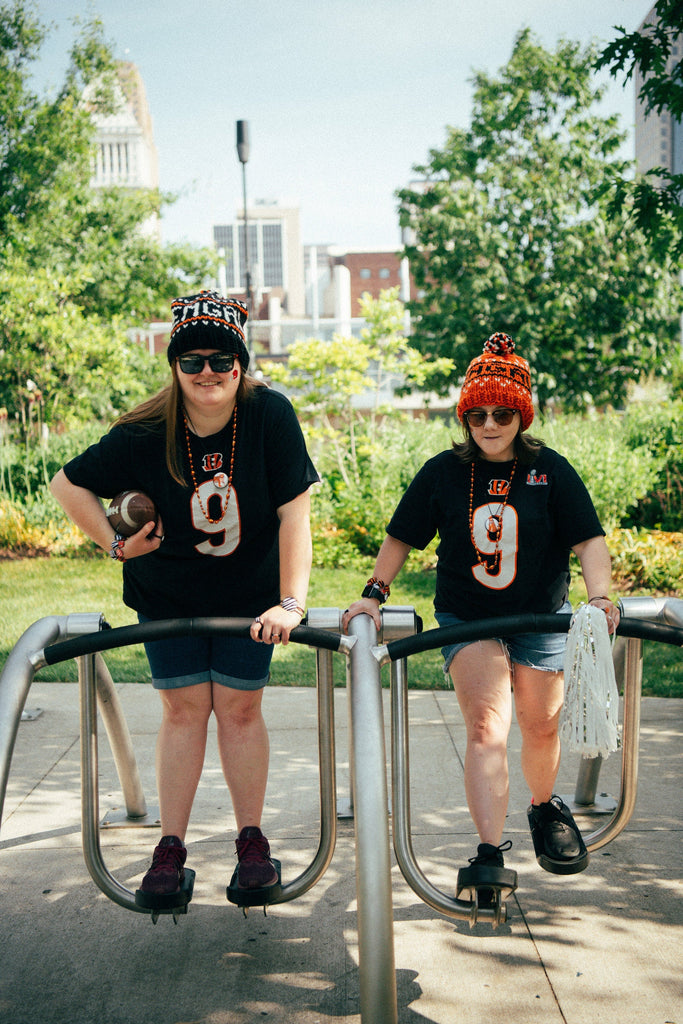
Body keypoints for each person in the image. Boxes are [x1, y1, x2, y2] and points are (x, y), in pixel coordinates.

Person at [50, 289, 318, 904]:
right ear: (174, 366)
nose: (207, 373)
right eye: (191, 360)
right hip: (168, 594)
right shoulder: (145, 430)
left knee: (241, 711)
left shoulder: (270, 416)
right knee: (183, 711)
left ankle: (252, 842)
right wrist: (116, 547)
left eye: (221, 359)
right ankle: (170, 847)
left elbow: (294, 515)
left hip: (247, 595)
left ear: (241, 364)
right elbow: (68, 485)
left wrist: (291, 602)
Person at [342, 332, 620, 899]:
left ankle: (544, 809)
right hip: (468, 616)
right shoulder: (444, 471)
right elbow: (401, 538)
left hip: (539, 616)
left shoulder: (551, 470)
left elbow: (589, 539)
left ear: (521, 414)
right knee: (487, 726)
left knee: (540, 723)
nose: (489, 425)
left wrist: (600, 595)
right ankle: (490, 851)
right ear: (466, 417)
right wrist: (373, 592)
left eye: (501, 413)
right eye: (477, 414)